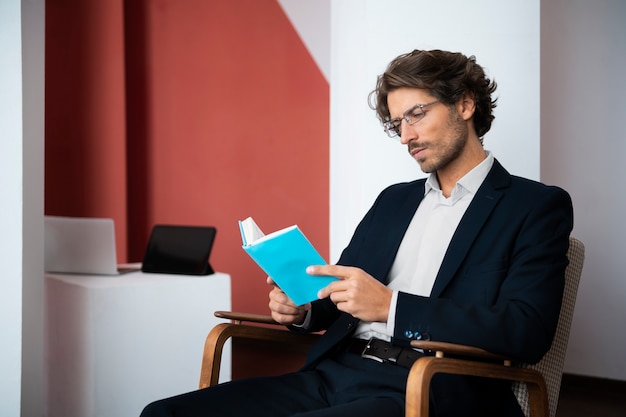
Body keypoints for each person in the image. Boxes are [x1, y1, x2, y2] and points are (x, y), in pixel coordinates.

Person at [140, 49, 573, 417]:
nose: (406, 135)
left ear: (464, 104)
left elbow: (526, 330)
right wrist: (303, 309)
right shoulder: (395, 200)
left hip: (434, 389)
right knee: (164, 413)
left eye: (417, 115)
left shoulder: (533, 206)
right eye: (397, 123)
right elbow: (343, 294)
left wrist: (392, 307)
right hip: (336, 373)